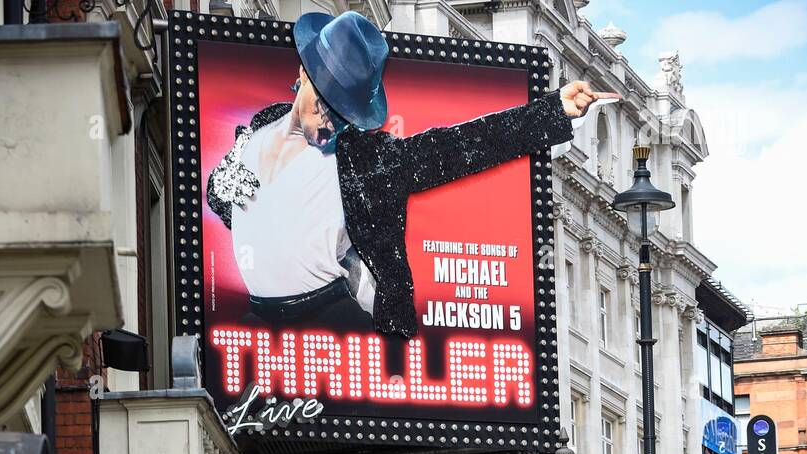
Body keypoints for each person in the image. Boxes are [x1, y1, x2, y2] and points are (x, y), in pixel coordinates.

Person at [207, 10, 617, 337]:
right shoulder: (262, 124)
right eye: (323, 100)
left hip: (328, 323)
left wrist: (551, 111)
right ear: (302, 74)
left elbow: (461, 146)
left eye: (342, 110)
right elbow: (222, 197)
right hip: (258, 316)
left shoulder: (369, 160)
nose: (330, 118)